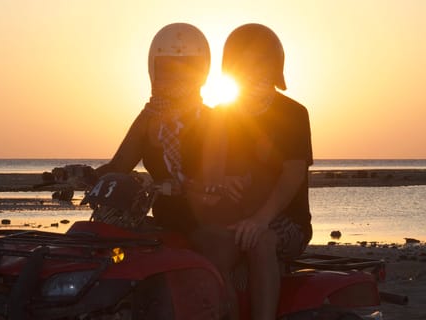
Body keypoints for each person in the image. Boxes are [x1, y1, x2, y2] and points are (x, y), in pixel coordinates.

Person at [184, 23, 313, 320]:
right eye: (245, 64)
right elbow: (212, 172)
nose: (255, 71)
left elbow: (294, 173)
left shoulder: (294, 113)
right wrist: (218, 183)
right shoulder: (220, 116)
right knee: (210, 247)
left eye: (262, 63)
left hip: (284, 220)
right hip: (233, 216)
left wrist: (259, 220)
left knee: (261, 240)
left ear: (275, 67)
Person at [94, 23, 211, 233]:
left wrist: (192, 186)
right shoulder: (148, 119)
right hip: (165, 222)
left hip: (207, 224)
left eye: (187, 68)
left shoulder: (214, 120)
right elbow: (118, 167)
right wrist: (83, 175)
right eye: (168, 68)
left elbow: (224, 178)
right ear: (154, 69)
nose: (177, 76)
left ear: (202, 72)